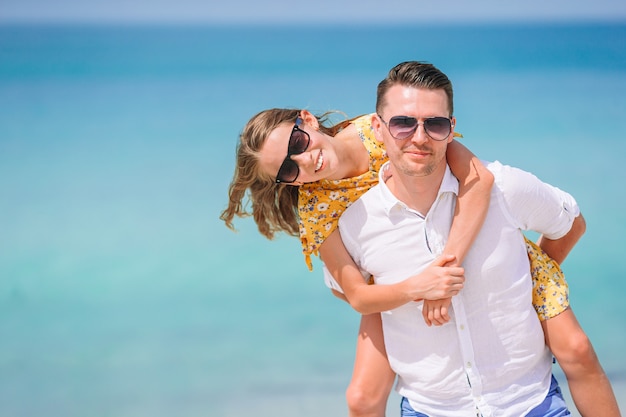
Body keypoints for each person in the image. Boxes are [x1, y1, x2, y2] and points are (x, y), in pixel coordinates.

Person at [220, 71, 620, 415]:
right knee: (361, 399)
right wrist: (418, 288)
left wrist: (443, 277)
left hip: (454, 242)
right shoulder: (317, 206)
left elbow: (478, 183)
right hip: (385, 276)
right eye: (288, 170)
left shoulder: (390, 129)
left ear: (306, 120)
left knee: (577, 349)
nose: (303, 162)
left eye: (297, 144)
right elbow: (357, 296)